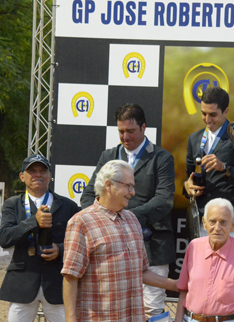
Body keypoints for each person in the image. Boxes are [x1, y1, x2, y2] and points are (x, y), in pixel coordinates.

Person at [80, 103, 176, 319]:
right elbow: (87, 196)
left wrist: (125, 218)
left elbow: (163, 201)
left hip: (153, 245)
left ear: (143, 128)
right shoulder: (108, 156)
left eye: (131, 131)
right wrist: (105, 218)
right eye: (121, 131)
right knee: (116, 305)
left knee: (152, 308)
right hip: (111, 246)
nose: (125, 136)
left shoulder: (162, 158)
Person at [62, 160, 178, 321]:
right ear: (109, 185)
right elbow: (70, 276)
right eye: (128, 186)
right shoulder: (82, 222)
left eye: (133, 186)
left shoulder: (132, 219)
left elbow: (142, 271)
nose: (132, 192)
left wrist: (174, 285)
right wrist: (70, 318)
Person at [0, 154, 79, 322]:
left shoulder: (68, 206)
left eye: (43, 171)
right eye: (32, 171)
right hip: (23, 283)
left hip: (57, 283)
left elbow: (80, 241)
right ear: (22, 177)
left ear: (50, 176)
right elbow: (4, 238)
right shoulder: (12, 204)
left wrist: (60, 250)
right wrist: (33, 221)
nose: (38, 175)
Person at [184, 87, 234, 241]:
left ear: (226, 112)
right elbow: (189, 178)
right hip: (204, 221)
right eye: (203, 114)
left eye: (213, 115)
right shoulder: (194, 139)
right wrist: (188, 187)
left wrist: (225, 168)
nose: (207, 120)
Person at [175, 198, 234, 322]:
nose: (217, 228)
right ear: (204, 223)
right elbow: (183, 290)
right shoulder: (193, 247)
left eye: (223, 222)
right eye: (212, 221)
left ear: (233, 225)